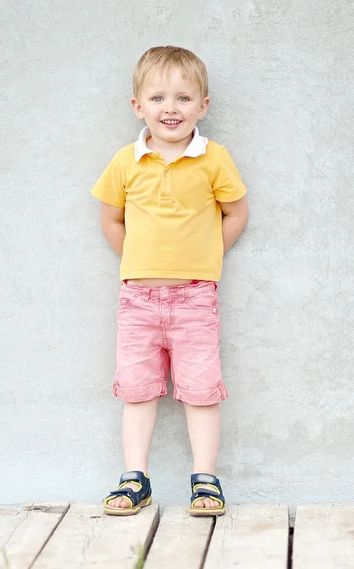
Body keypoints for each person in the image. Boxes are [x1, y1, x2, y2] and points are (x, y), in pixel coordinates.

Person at [91, 46, 248, 516]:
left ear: (203, 106)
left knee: (200, 390)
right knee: (138, 390)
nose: (170, 108)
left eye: (183, 98)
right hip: (138, 298)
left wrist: (205, 257)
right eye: (158, 98)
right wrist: (137, 260)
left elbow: (237, 212)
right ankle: (135, 479)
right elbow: (111, 219)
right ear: (138, 106)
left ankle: (206, 481)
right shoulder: (126, 161)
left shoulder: (213, 157)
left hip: (196, 298)